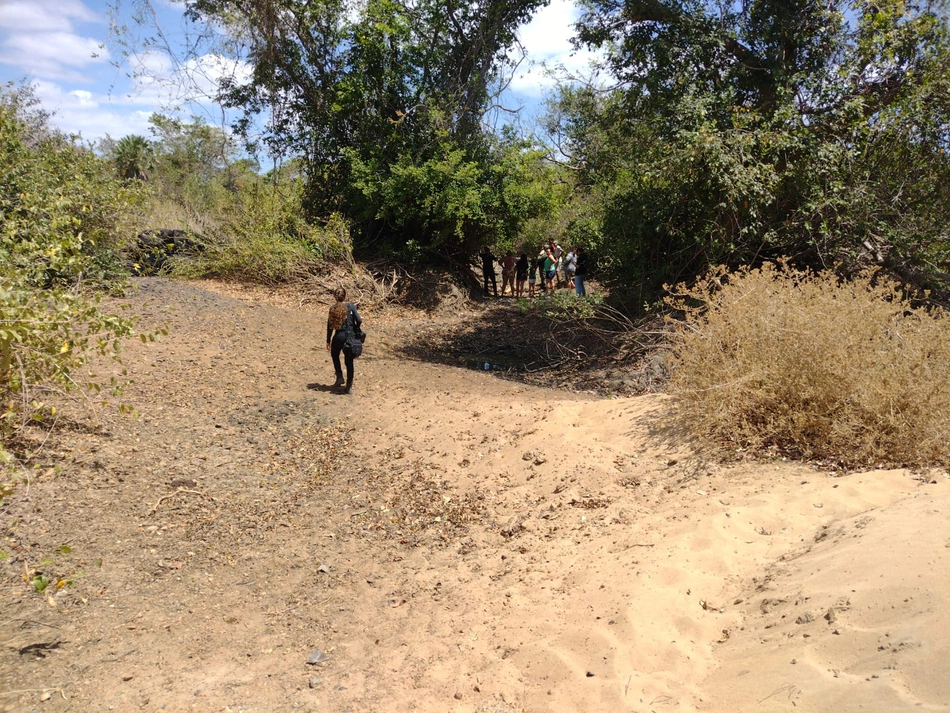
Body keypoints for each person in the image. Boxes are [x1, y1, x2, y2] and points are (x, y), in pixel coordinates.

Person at [326, 287, 362, 394]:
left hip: (338, 336)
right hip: (350, 337)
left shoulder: (333, 308)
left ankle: (339, 376)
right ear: (345, 296)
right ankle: (349, 386)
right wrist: (356, 327)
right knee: (349, 361)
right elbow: (359, 320)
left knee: (335, 354)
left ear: (335, 297)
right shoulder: (351, 307)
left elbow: (329, 326)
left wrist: (328, 340)